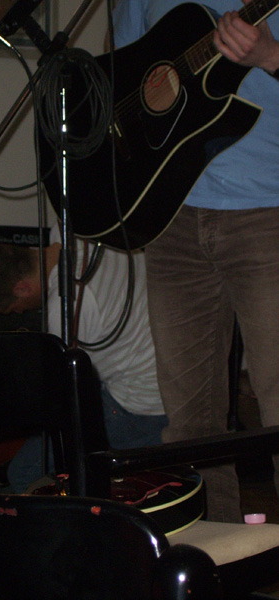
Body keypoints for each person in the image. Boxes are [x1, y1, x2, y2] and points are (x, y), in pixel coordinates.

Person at [112, 0, 279, 522]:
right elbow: (123, 82)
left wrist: (271, 56)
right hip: (172, 218)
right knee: (189, 427)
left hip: (269, 212)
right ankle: (213, 559)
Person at [0, 229, 167, 492]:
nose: (20, 312)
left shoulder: (67, 307)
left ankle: (81, 512)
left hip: (142, 408)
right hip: (170, 373)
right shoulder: (81, 232)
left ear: (22, 287)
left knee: (22, 473)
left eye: (13, 308)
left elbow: (69, 394)